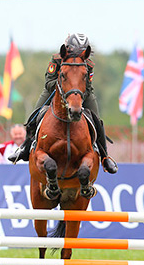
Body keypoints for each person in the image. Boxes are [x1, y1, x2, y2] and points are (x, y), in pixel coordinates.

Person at [8, 32, 117, 173]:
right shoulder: (56, 59)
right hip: (54, 90)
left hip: (81, 93)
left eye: (83, 52)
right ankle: (24, 148)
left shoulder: (88, 64)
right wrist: (63, 86)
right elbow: (49, 82)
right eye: (79, 52)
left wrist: (77, 92)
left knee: (97, 120)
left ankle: (104, 157)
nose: (81, 55)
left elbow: (88, 86)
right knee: (34, 116)